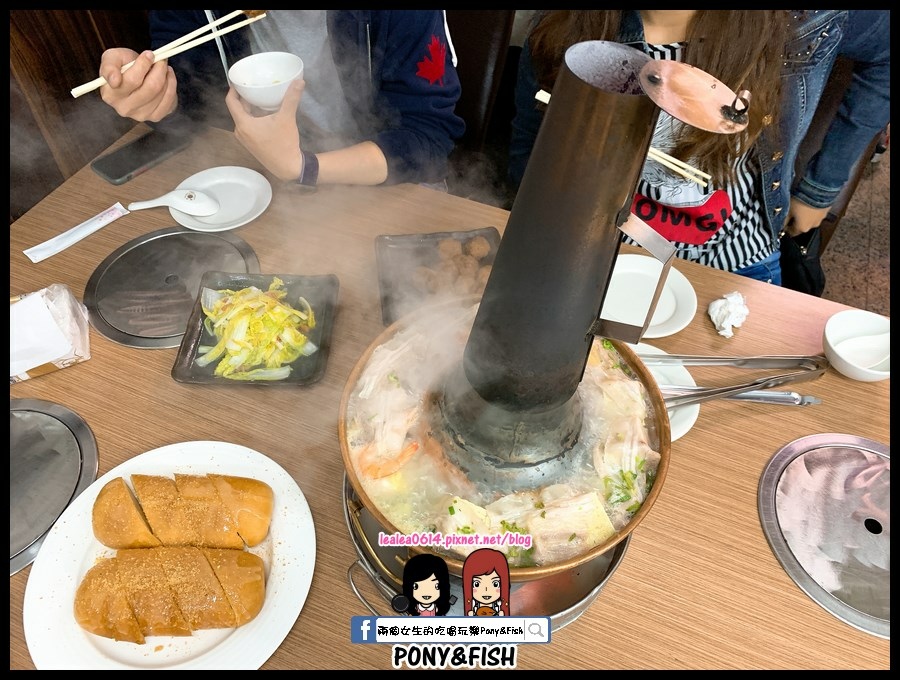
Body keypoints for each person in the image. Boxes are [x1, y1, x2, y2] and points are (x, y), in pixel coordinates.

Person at [507, 11, 890, 285]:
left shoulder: (796, 19)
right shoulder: (567, 26)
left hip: (738, 263)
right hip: (597, 254)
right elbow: (530, 149)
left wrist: (819, 192)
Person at [97, 10, 466, 188]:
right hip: (254, 176)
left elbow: (428, 137)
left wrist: (304, 167)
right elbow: (192, 102)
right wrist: (156, 96)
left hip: (382, 179)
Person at [463, 548, 510, 616]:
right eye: (477, 584)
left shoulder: (500, 606)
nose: (486, 589)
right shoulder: (471, 606)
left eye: (495, 584)